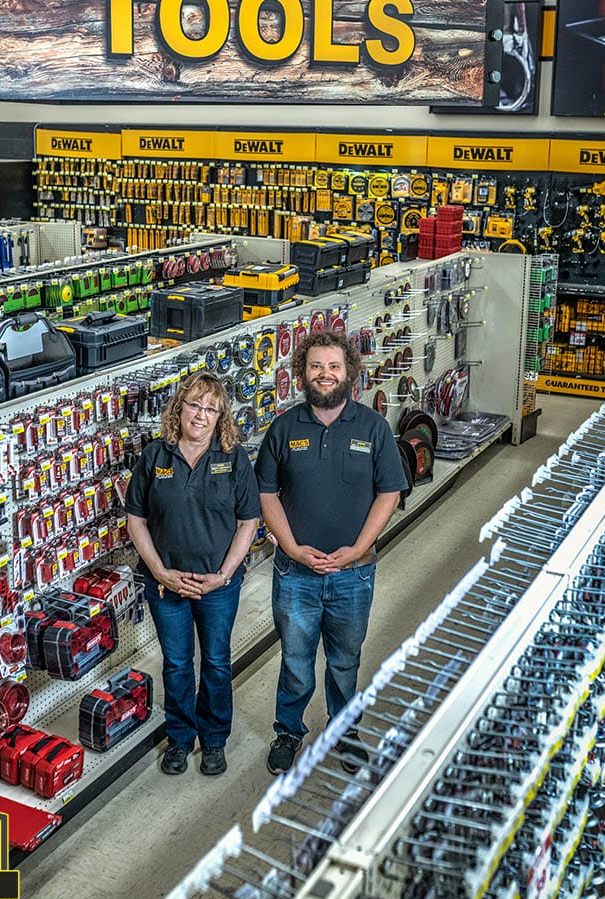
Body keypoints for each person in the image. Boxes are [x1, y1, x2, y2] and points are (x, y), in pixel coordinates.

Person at [254, 329, 407, 775]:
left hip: (353, 574)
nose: (325, 374)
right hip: (296, 574)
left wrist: (358, 549)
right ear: (302, 373)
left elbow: (390, 492)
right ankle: (289, 731)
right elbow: (266, 494)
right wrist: (291, 548)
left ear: (349, 373)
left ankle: (345, 731)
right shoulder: (284, 428)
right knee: (296, 660)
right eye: (316, 366)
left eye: (334, 366)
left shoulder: (373, 427)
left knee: (345, 660)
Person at [124, 372, 260, 776]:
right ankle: (180, 739)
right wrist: (160, 572)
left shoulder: (233, 459)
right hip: (166, 586)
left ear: (221, 417)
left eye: (210, 409)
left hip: (218, 586)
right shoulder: (155, 456)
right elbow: (135, 520)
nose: (200, 415)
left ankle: (214, 739)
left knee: (216, 662)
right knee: (177, 663)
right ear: (179, 408)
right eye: (194, 405)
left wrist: (224, 574)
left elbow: (248, 523)